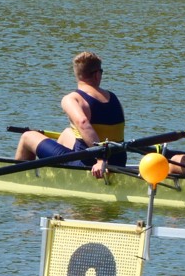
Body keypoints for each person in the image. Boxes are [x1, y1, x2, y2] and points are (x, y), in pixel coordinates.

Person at [14, 51, 123, 180]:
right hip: (118, 162)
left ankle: (18, 180)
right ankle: (56, 175)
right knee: (67, 133)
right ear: (97, 75)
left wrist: (100, 159)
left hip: (88, 164)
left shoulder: (72, 99)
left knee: (27, 136)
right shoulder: (113, 97)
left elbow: (83, 123)